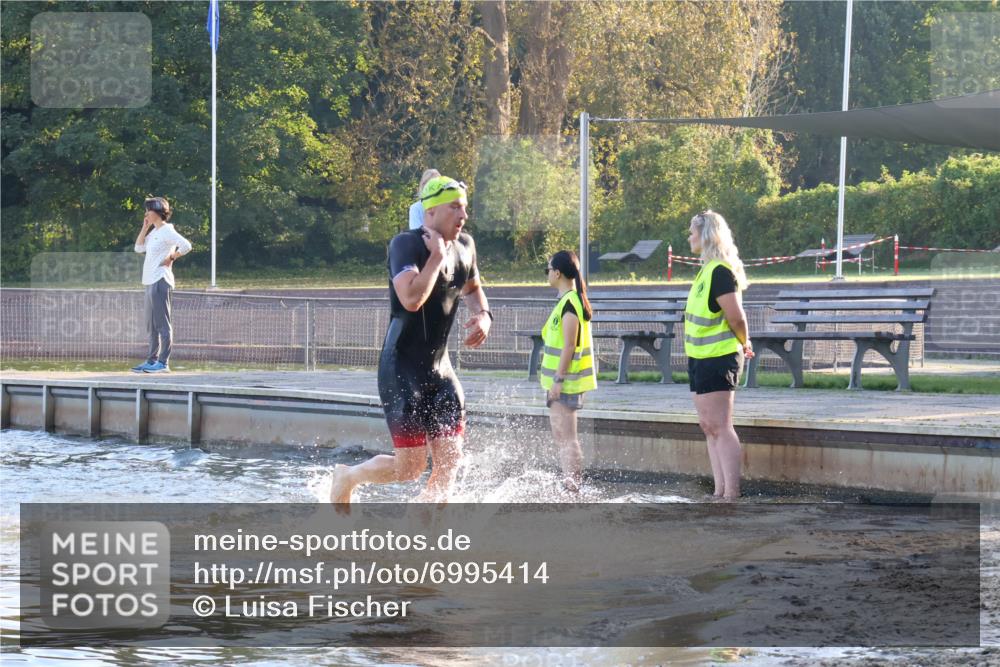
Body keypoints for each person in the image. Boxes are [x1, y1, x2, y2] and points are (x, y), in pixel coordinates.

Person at [330, 176, 492, 510]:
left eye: (464, 206)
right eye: (455, 207)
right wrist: (435, 257)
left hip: (441, 370)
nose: (463, 214)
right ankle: (348, 477)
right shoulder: (405, 245)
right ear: (431, 211)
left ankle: (428, 539)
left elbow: (472, 288)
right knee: (410, 468)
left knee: (449, 462)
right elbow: (411, 300)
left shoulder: (467, 245)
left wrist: (483, 315)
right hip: (402, 368)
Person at [684, 210, 754, 500]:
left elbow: (736, 317)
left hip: (719, 356)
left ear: (707, 235)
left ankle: (731, 495)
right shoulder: (705, 271)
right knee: (708, 426)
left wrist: (745, 342)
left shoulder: (721, 272)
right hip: (700, 358)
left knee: (721, 427)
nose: (689, 237)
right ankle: (719, 492)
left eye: (692, 232)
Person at [541, 250, 597, 492]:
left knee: (568, 438)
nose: (547, 274)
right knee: (561, 437)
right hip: (561, 382)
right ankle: (569, 483)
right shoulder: (566, 301)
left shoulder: (571, 304)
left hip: (566, 382)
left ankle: (573, 487)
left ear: (557, 273)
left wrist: (558, 380)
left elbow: (569, 345)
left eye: (548, 269)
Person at [131, 196, 192, 373]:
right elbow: (138, 248)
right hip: (149, 281)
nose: (146, 213)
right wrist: (145, 227)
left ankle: (163, 363)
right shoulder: (155, 232)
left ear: (157, 212)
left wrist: (171, 257)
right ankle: (151, 361)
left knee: (162, 324)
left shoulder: (166, 230)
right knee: (150, 325)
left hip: (161, 280)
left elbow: (186, 245)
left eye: (148, 210)